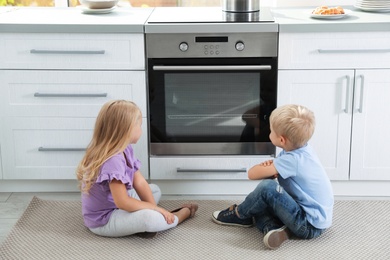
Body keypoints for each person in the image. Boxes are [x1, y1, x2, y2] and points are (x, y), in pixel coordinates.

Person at [212, 104, 334, 249]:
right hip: (313, 219)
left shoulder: (292, 160)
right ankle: (273, 230)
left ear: (282, 140)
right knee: (259, 203)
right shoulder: (303, 150)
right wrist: (273, 167)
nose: (269, 133)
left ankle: (240, 215)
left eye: (271, 131)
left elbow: (252, 174)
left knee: (266, 188)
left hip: (307, 225)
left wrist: (266, 168)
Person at [76, 100, 198, 238]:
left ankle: (146, 221)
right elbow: (122, 202)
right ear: (126, 130)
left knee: (155, 189)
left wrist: (154, 209)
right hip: (105, 219)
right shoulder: (113, 160)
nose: (141, 129)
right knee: (149, 219)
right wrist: (155, 210)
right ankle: (182, 214)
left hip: (117, 204)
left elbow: (139, 182)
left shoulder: (125, 148)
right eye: (139, 125)